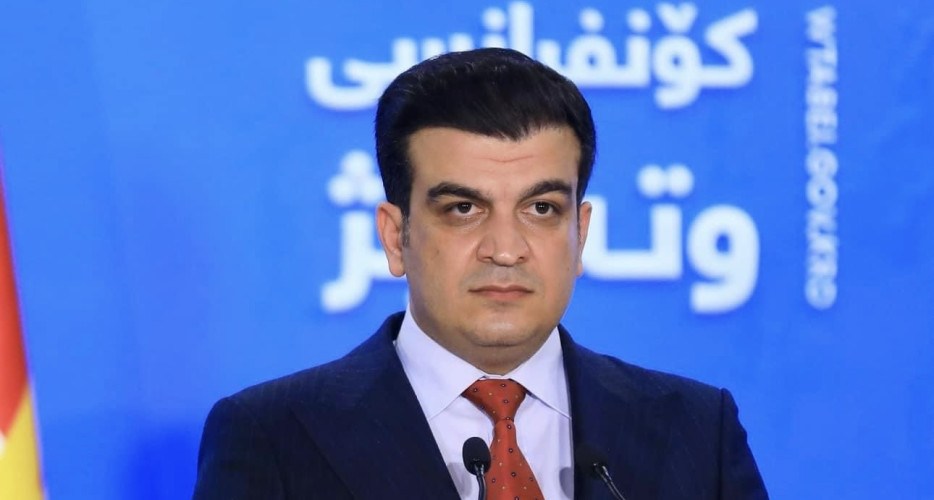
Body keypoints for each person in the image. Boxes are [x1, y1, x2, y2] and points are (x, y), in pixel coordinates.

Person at [192, 48, 768, 500]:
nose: (506, 250)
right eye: (463, 209)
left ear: (580, 233)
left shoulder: (697, 430)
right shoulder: (273, 436)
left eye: (541, 208)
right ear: (395, 237)